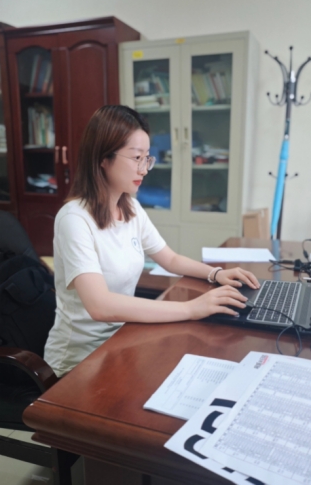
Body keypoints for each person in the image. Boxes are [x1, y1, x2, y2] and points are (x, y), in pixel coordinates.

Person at [44, 105, 260, 377]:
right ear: (103, 158)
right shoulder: (74, 219)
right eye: (136, 158)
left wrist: (216, 273)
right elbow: (100, 306)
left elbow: (170, 259)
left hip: (121, 342)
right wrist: (191, 308)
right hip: (78, 363)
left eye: (147, 158)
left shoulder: (130, 208)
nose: (144, 169)